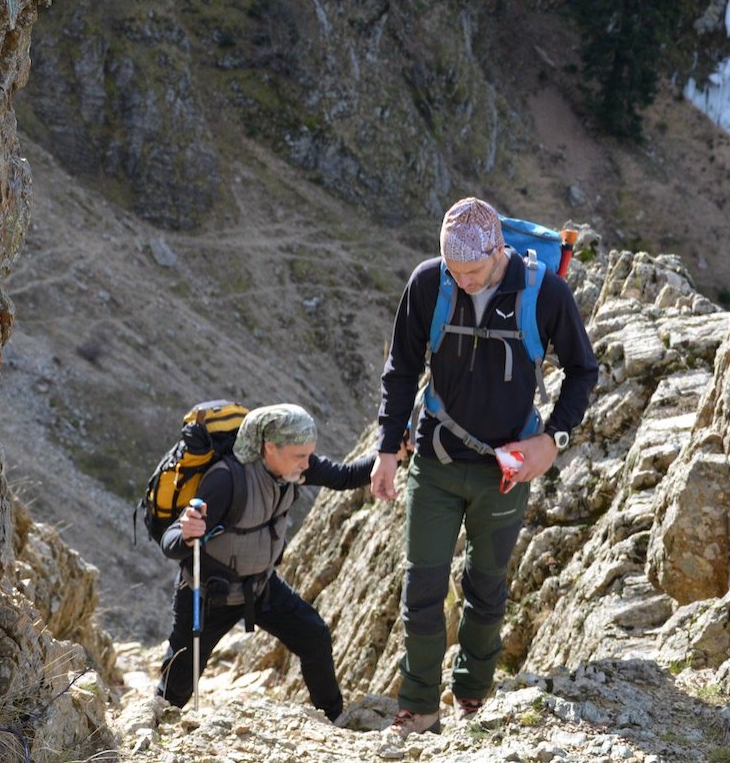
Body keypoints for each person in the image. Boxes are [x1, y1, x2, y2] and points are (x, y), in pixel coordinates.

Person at [371, 197, 598, 738]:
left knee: (487, 588)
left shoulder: (545, 292)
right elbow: (402, 368)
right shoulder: (431, 283)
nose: (465, 282)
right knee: (422, 588)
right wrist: (386, 447)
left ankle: (472, 697)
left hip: (506, 471)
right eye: (456, 273)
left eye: (473, 273)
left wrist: (552, 439)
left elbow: (583, 372)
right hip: (437, 459)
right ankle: (419, 708)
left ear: (499, 252)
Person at [157, 403, 372, 722]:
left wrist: (391, 452)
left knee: (313, 636)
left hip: (259, 586)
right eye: (300, 455)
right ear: (270, 447)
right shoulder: (226, 480)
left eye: (309, 454)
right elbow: (171, 544)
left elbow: (346, 476)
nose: (307, 463)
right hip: (207, 594)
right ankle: (154, 731)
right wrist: (188, 533)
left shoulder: (294, 468)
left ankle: (332, 718)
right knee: (177, 685)